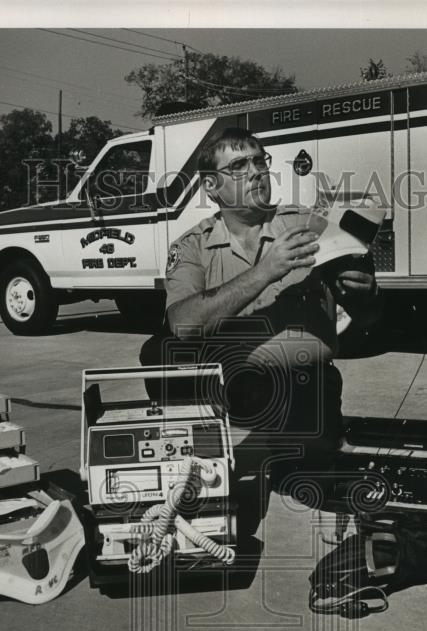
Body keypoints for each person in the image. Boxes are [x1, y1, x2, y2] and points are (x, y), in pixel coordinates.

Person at [142, 126, 382, 504]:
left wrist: (365, 293)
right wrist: (266, 270)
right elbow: (184, 325)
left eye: (259, 160)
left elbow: (368, 321)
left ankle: (302, 455)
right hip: (228, 388)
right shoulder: (192, 245)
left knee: (307, 491)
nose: (256, 171)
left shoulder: (310, 228)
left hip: (301, 386)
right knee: (158, 351)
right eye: (239, 165)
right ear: (211, 186)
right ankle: (195, 455)